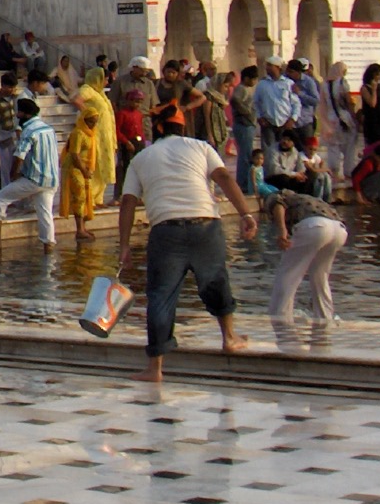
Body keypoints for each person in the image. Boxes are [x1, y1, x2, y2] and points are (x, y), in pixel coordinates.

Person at [117, 120, 259, 382]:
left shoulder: (141, 157)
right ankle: (229, 338)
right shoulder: (200, 147)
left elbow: (128, 201)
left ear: (158, 131)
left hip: (165, 230)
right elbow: (224, 177)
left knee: (161, 296)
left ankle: (155, 368)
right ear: (184, 131)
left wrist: (124, 245)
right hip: (205, 225)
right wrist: (246, 214)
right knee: (216, 280)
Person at [0, 98, 59, 253]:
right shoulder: (48, 129)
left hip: (34, 179)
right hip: (51, 179)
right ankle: (49, 246)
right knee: (45, 213)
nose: (17, 115)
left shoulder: (29, 131)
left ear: (24, 113)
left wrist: (13, 175)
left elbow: (19, 155)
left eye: (18, 112)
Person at [266, 186, 346, 326]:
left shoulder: (276, 196)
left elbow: (278, 204)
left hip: (314, 226)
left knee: (289, 273)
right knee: (320, 276)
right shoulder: (306, 199)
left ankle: (279, 317)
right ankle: (325, 318)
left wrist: (282, 232)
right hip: (339, 229)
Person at [62, 70, 115, 240]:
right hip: (94, 135)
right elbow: (76, 99)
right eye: (104, 78)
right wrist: (88, 114)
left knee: (102, 168)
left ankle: (97, 199)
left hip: (104, 136)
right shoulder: (88, 89)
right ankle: (90, 200)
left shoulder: (100, 93)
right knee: (94, 165)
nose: (106, 81)